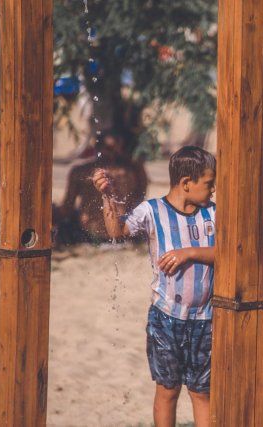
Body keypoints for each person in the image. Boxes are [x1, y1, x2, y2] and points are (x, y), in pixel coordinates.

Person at [92, 146, 217, 427]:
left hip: (206, 320)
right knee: (167, 390)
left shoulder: (213, 214)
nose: (213, 190)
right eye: (209, 184)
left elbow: (231, 254)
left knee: (201, 392)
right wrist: (108, 196)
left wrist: (191, 253)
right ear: (187, 183)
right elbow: (116, 231)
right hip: (166, 319)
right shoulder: (153, 211)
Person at [54, 131, 147, 244]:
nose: (112, 154)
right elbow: (139, 200)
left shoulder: (132, 171)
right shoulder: (134, 170)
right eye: (111, 149)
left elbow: (67, 208)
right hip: (111, 233)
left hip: (97, 233)